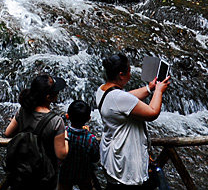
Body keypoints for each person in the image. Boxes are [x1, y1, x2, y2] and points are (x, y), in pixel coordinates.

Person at [96, 53, 170, 189]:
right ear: (121, 75)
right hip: (125, 158)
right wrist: (159, 91)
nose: (130, 73)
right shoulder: (119, 98)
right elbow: (152, 112)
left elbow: (126, 98)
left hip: (112, 152)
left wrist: (149, 88)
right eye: (129, 71)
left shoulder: (102, 90)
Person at [4, 74, 69, 189]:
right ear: (49, 97)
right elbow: (61, 154)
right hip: (44, 175)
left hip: (22, 170)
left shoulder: (23, 111)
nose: (58, 93)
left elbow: (8, 133)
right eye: (56, 91)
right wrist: (66, 136)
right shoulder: (56, 121)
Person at [58, 100, 100, 190]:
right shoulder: (91, 139)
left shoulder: (62, 133)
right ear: (89, 118)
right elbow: (95, 158)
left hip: (65, 172)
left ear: (68, 116)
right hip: (84, 173)